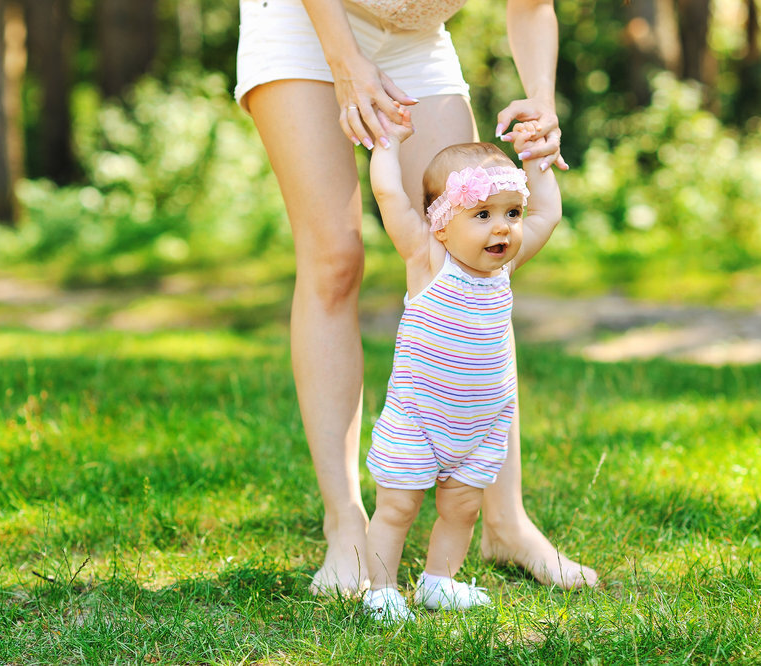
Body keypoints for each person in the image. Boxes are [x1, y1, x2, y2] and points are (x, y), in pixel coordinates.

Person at [235, 0, 598, 595]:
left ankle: (505, 520)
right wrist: (345, 60)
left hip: (417, 38)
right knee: (334, 258)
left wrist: (541, 101)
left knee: (476, 261)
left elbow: (531, 7)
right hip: (303, 24)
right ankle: (345, 524)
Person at [361, 108, 563, 622]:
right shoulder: (427, 258)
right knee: (398, 508)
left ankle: (438, 582)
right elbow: (389, 196)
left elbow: (548, 216)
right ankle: (380, 591)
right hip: (419, 417)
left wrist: (536, 161)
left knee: (463, 509)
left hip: (480, 423)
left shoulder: (504, 267)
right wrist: (387, 145)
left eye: (510, 213)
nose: (503, 228)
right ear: (442, 223)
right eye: (483, 215)